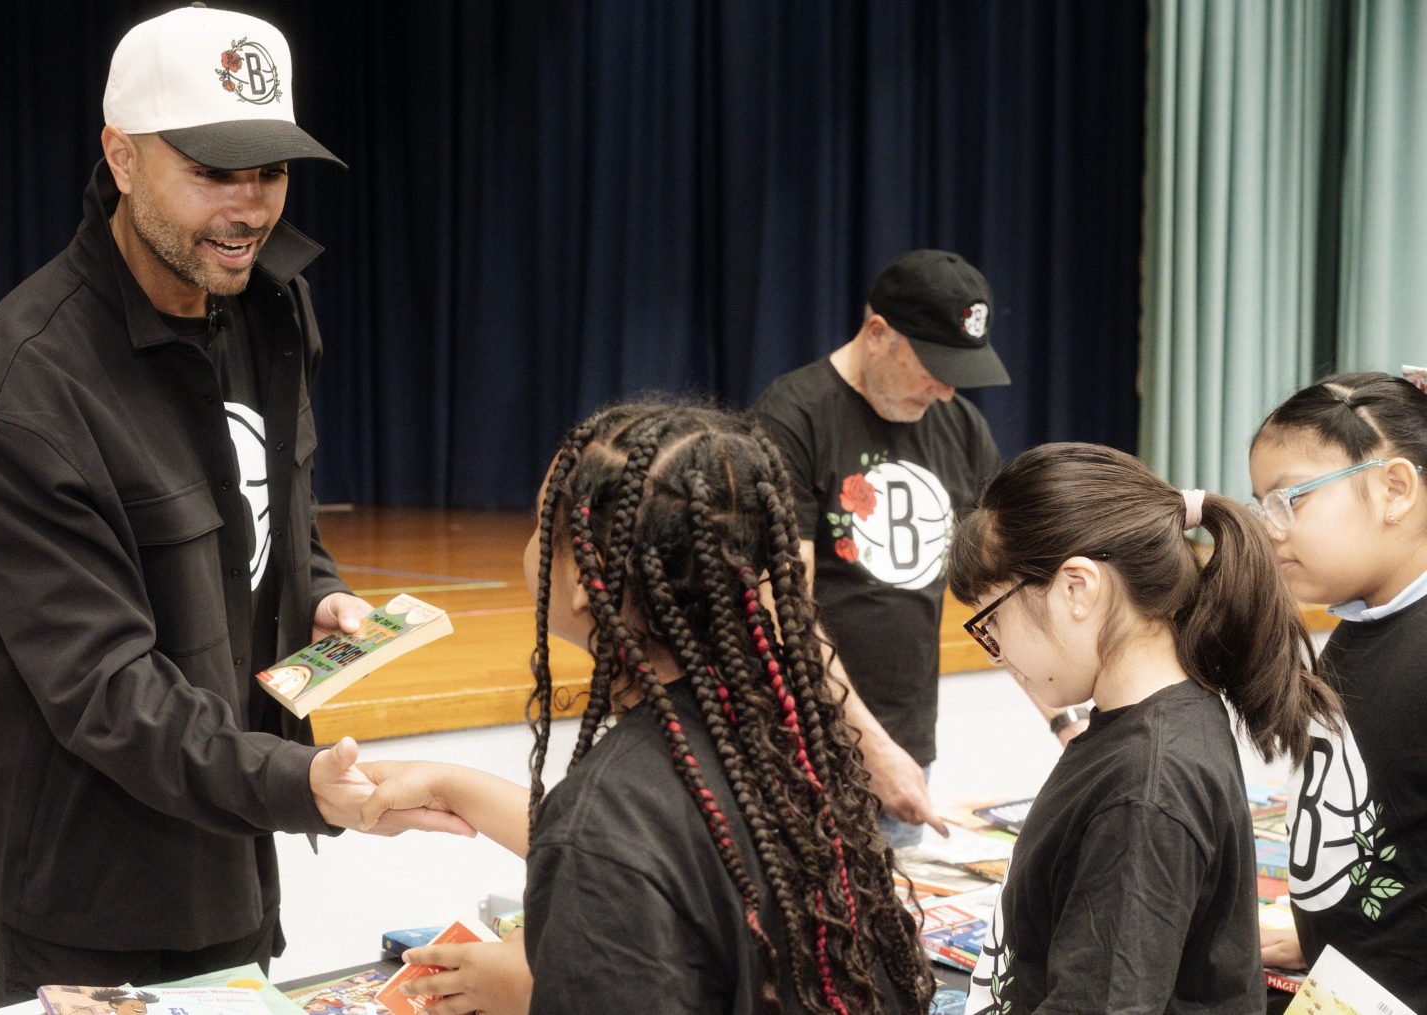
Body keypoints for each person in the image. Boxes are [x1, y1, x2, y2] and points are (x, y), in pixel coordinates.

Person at [0, 7, 467, 1007]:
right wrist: (294, 781)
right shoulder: (22, 384)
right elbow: (101, 686)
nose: (250, 207)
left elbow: (277, 499)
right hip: (91, 878)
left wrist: (316, 589)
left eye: (268, 171)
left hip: (231, 826)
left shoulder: (268, 304)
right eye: (215, 172)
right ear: (121, 156)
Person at [354, 401, 937, 1014]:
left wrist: (534, 992)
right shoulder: (781, 739)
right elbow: (680, 845)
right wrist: (454, 786)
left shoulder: (610, 815)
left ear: (586, 577)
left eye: (538, 523)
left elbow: (623, 846)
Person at [947, 442, 1341, 1013]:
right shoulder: (1149, 728)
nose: (996, 652)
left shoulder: (1147, 785)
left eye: (992, 621)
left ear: (1077, 588)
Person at [753, 250, 1056, 847]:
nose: (945, 391)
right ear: (877, 334)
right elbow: (783, 608)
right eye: (933, 366)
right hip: (804, 747)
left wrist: (1064, 716)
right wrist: (869, 745)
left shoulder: (962, 429)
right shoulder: (791, 419)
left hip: (905, 747)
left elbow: (1002, 592)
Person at [1250, 372, 1427, 1009]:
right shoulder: (1362, 626)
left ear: (1395, 489)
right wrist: (1329, 929)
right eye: (1259, 505)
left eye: (1288, 499)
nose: (1269, 528)